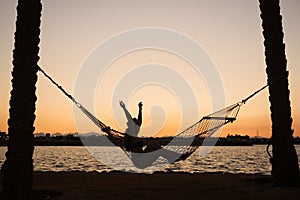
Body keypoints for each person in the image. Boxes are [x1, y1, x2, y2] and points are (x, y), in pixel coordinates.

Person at [119, 101, 182, 168]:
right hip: (140, 161)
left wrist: (140, 109)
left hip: (142, 158)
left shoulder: (134, 133)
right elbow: (130, 118)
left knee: (154, 144)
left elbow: (140, 121)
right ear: (132, 124)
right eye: (135, 120)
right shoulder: (131, 132)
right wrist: (124, 108)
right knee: (159, 151)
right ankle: (174, 156)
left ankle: (173, 157)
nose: (137, 121)